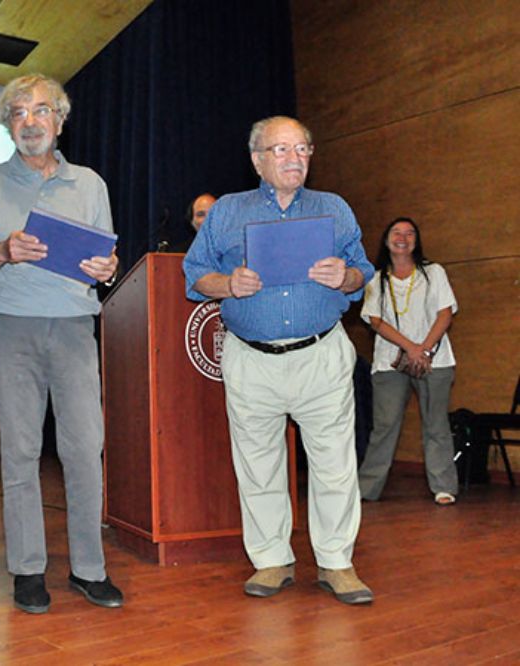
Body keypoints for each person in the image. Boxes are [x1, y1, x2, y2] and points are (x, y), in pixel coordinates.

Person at [183, 115, 376, 605]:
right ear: (257, 160)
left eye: (303, 149)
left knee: (335, 465)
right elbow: (195, 272)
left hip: (321, 355)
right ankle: (272, 560)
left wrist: (345, 276)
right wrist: (228, 285)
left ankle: (337, 563)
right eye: (282, 150)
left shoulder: (333, 207)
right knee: (259, 465)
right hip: (252, 360)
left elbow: (362, 271)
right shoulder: (227, 212)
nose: (295, 159)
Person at [0, 74, 123, 615]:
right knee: (22, 451)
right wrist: (4, 250)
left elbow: (106, 260)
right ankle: (28, 570)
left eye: (41, 111)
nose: (30, 122)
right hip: (13, 326)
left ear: (60, 120)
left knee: (83, 450)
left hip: (76, 328)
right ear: (8, 124)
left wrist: (108, 267)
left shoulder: (90, 184)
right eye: (18, 113)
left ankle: (89, 569)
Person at [358, 217, 459, 505]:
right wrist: (411, 348)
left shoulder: (433, 272)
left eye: (410, 233)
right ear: (386, 240)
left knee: (436, 424)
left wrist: (424, 349)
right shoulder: (375, 279)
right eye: (396, 232)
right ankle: (366, 489)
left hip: (435, 361)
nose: (403, 238)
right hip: (389, 363)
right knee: (385, 425)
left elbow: (445, 313)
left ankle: (444, 487)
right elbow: (375, 321)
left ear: (416, 240)